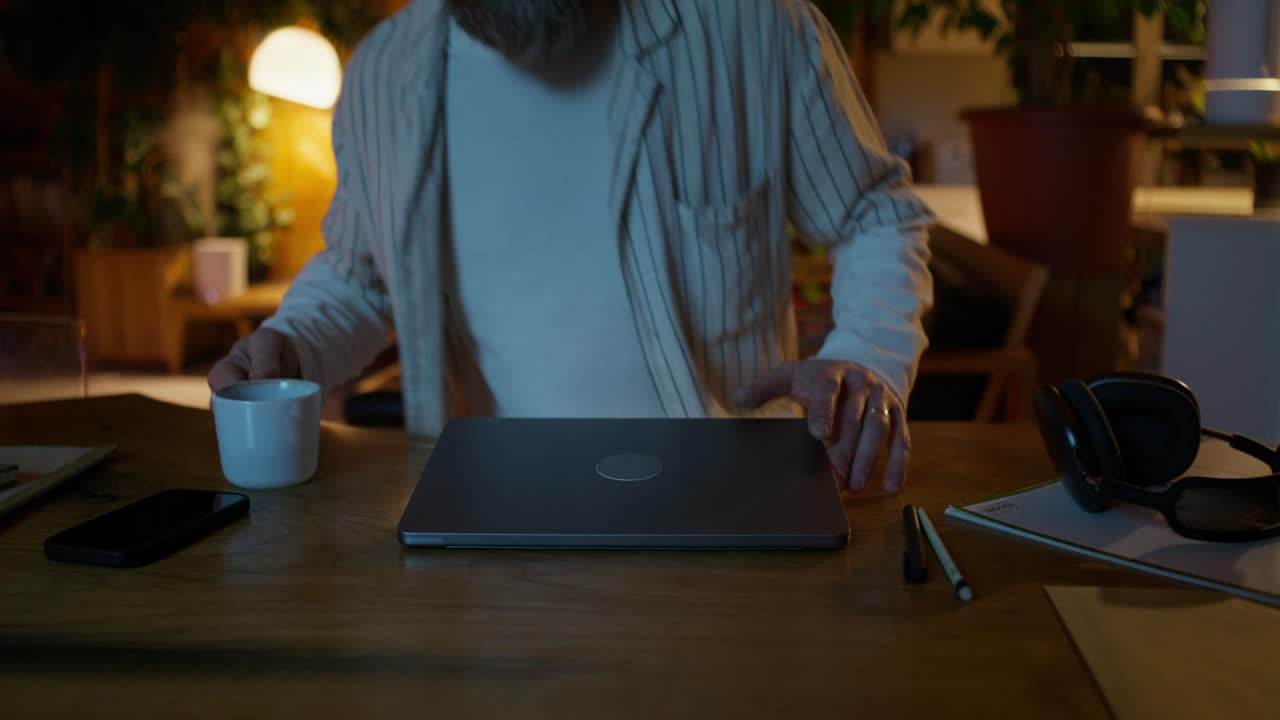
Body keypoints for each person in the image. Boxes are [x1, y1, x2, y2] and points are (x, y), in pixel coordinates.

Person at [209, 0, 934, 494]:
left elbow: (874, 214)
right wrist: (293, 340)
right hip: (494, 509)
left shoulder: (754, 26)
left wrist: (868, 355)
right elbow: (362, 274)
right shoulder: (382, 74)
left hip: (732, 501)